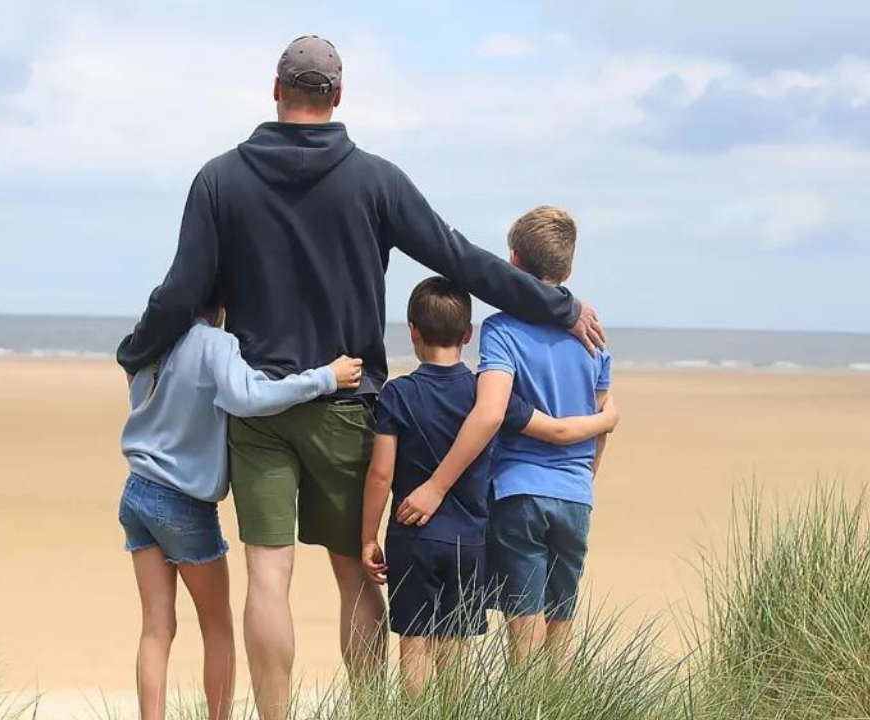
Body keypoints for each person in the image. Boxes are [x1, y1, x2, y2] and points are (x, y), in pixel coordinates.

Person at [115, 35, 606, 720]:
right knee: (353, 571)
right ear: (338, 97)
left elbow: (180, 294)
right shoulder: (374, 179)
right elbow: (462, 261)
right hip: (348, 404)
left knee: (268, 574)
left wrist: (137, 351)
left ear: (276, 90)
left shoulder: (220, 179)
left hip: (258, 411)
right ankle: (373, 711)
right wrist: (558, 303)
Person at [359, 277, 618, 698]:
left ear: (412, 331)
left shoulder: (397, 394)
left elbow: (381, 474)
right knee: (455, 646)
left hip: (412, 536)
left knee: (414, 643)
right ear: (467, 334)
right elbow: (553, 429)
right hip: (470, 540)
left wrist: (368, 536)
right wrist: (605, 421)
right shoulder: (487, 396)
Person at [117, 303, 363, 720]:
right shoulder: (215, 343)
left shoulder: (155, 339)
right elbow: (249, 396)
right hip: (183, 502)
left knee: (156, 629)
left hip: (137, 491)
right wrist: (324, 378)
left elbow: (136, 382)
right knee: (217, 628)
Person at [395, 207, 612, 666]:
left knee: (524, 639)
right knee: (560, 632)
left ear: (511, 264)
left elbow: (491, 412)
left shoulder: (501, 330)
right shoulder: (593, 337)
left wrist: (436, 486)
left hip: (519, 494)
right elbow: (601, 422)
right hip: (576, 495)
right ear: (568, 269)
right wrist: (583, 480)